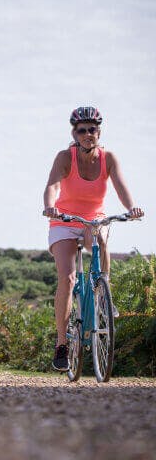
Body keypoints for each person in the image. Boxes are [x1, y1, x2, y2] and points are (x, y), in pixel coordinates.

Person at [43, 106, 144, 372]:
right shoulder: (66, 157)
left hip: (93, 219)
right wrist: (50, 205)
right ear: (74, 133)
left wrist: (131, 207)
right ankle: (63, 343)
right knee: (67, 277)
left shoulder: (108, 158)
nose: (89, 134)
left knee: (100, 237)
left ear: (99, 131)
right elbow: (52, 185)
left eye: (93, 129)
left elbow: (121, 186)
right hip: (64, 220)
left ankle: (102, 293)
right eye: (83, 130)